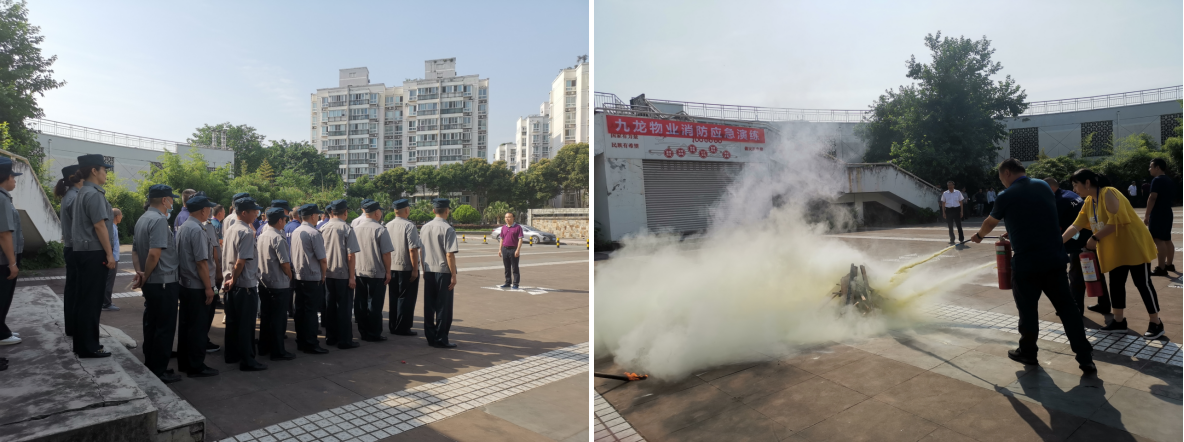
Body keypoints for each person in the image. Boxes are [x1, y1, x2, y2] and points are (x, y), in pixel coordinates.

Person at [970, 159, 1095, 373]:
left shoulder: (1005, 195)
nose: (1002, 183)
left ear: (1007, 173)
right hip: (1054, 260)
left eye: (1001, 178)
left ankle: (1028, 352)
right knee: (1068, 309)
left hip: (1027, 264)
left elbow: (990, 222)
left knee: (1028, 310)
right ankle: (1085, 358)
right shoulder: (1043, 186)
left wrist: (979, 235)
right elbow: (1036, 214)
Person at [1061, 168, 1164, 339]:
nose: (1074, 190)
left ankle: (1156, 322)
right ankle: (1118, 321)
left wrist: (1094, 238)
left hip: (1133, 246)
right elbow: (1076, 225)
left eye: (1075, 185)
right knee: (1116, 284)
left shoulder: (1108, 192)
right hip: (1115, 250)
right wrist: (1057, 243)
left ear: (1087, 183)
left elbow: (1117, 221)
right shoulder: (1089, 201)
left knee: (1142, 283)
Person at [130, 185, 182, 383]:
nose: (171, 203)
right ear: (164, 200)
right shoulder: (159, 220)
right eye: (170, 199)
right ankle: (159, 369)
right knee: (164, 326)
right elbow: (154, 253)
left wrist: (140, 273)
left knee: (151, 323)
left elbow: (135, 251)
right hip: (163, 281)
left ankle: (152, 364)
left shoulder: (142, 219)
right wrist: (146, 274)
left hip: (151, 281)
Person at [70, 154, 117, 358]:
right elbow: (99, 225)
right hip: (94, 253)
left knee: (83, 299)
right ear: (94, 171)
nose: (106, 173)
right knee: (91, 301)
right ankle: (89, 347)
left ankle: (82, 344)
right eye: (104, 170)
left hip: (82, 251)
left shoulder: (82, 192)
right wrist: (109, 254)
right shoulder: (94, 194)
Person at [1044, 178, 1109, 315]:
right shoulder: (1069, 195)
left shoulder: (1059, 201)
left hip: (1079, 241)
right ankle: (1104, 304)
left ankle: (1075, 309)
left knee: (1076, 276)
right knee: (1095, 272)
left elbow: (1051, 224)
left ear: (1049, 188)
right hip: (1090, 237)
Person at [173, 193, 220, 378]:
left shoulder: (184, 226)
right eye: (208, 208)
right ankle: (196, 366)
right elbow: (201, 262)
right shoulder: (197, 230)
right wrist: (209, 287)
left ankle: (185, 363)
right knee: (198, 328)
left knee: (186, 326)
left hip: (185, 284)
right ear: (203, 210)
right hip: (197, 286)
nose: (209, 211)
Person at [221, 197, 267, 371]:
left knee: (233, 322)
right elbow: (241, 261)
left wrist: (230, 279)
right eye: (254, 211)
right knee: (246, 325)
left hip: (230, 284)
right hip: (244, 284)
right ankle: (248, 360)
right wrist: (235, 277)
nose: (257, 214)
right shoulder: (246, 232)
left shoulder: (231, 229)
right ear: (244, 212)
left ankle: (231, 355)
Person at [257, 207, 296, 361]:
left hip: (264, 281)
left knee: (266, 318)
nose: (285, 222)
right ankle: (278, 351)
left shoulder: (262, 235)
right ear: (280, 220)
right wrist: (290, 276)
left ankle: (264, 347)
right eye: (285, 220)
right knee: (279, 320)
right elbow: (285, 264)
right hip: (278, 284)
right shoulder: (278, 238)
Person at [321, 199, 360, 349]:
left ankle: (331, 338)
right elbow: (351, 255)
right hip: (343, 275)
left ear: (331, 212)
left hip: (328, 274)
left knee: (330, 307)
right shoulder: (347, 228)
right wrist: (352, 277)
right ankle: (345, 340)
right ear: (345, 212)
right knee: (344, 308)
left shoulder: (323, 228)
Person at [420, 199, 459, 348]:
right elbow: (449, 254)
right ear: (447, 211)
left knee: (429, 306)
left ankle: (430, 337)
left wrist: (424, 269)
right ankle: (441, 338)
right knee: (443, 306)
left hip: (429, 270)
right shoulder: (448, 228)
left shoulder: (424, 227)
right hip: (443, 271)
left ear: (433, 211)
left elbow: (421, 250)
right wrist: (453, 275)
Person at [291, 204, 330, 354]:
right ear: (313, 216)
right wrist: (324, 275)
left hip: (299, 275)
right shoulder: (314, 233)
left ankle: (301, 340)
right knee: (311, 312)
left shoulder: (296, 231)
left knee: (300, 310)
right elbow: (323, 259)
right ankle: (311, 343)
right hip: (312, 277)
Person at [354, 199, 394, 342]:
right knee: (375, 305)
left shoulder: (355, 228)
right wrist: (388, 272)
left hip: (359, 271)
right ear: (377, 213)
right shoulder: (380, 229)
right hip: (376, 272)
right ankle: (374, 333)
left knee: (361, 303)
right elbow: (386, 253)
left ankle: (363, 331)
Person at [386, 199, 421, 337]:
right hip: (405, 268)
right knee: (406, 299)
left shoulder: (387, 225)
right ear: (406, 210)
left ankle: (393, 325)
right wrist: (415, 269)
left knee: (393, 298)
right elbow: (413, 249)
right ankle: (403, 327)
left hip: (391, 267)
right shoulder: (409, 226)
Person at [0, 157, 25, 348]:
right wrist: (12, 262)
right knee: (3, 296)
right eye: (12, 177)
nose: (14, 181)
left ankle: (2, 328)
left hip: (5, 259)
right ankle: (1, 333)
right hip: (3, 260)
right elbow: (4, 234)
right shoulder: (1, 198)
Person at [55, 165, 82, 338]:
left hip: (71, 247)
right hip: (76, 248)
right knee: (76, 289)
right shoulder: (74, 198)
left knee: (72, 288)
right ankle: (74, 327)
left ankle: (72, 327)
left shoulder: (70, 196)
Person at [1145, 158, 1176, 276]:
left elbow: (1152, 197)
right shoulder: (1169, 180)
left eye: (1151, 166)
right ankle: (1169, 264)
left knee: (1158, 239)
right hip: (1168, 212)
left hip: (1158, 213)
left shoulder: (1157, 180)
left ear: (1157, 167)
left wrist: (1147, 215)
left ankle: (1161, 268)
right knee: (1167, 239)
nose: (1149, 169)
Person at [101, 208, 124, 311]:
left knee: (108, 280)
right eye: (121, 215)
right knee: (109, 281)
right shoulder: (112, 228)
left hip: (114, 258)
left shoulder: (113, 227)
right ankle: (106, 303)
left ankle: (105, 301)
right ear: (116, 216)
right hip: (112, 259)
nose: (122, 217)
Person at [499, 212, 524, 289]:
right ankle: (507, 282)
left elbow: (520, 239)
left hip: (514, 249)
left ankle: (516, 283)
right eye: (506, 217)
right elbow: (502, 239)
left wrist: (518, 250)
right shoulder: (503, 227)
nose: (507, 219)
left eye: (509, 217)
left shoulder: (518, 227)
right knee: (507, 267)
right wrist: (500, 249)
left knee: (515, 267)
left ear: (513, 218)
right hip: (505, 249)